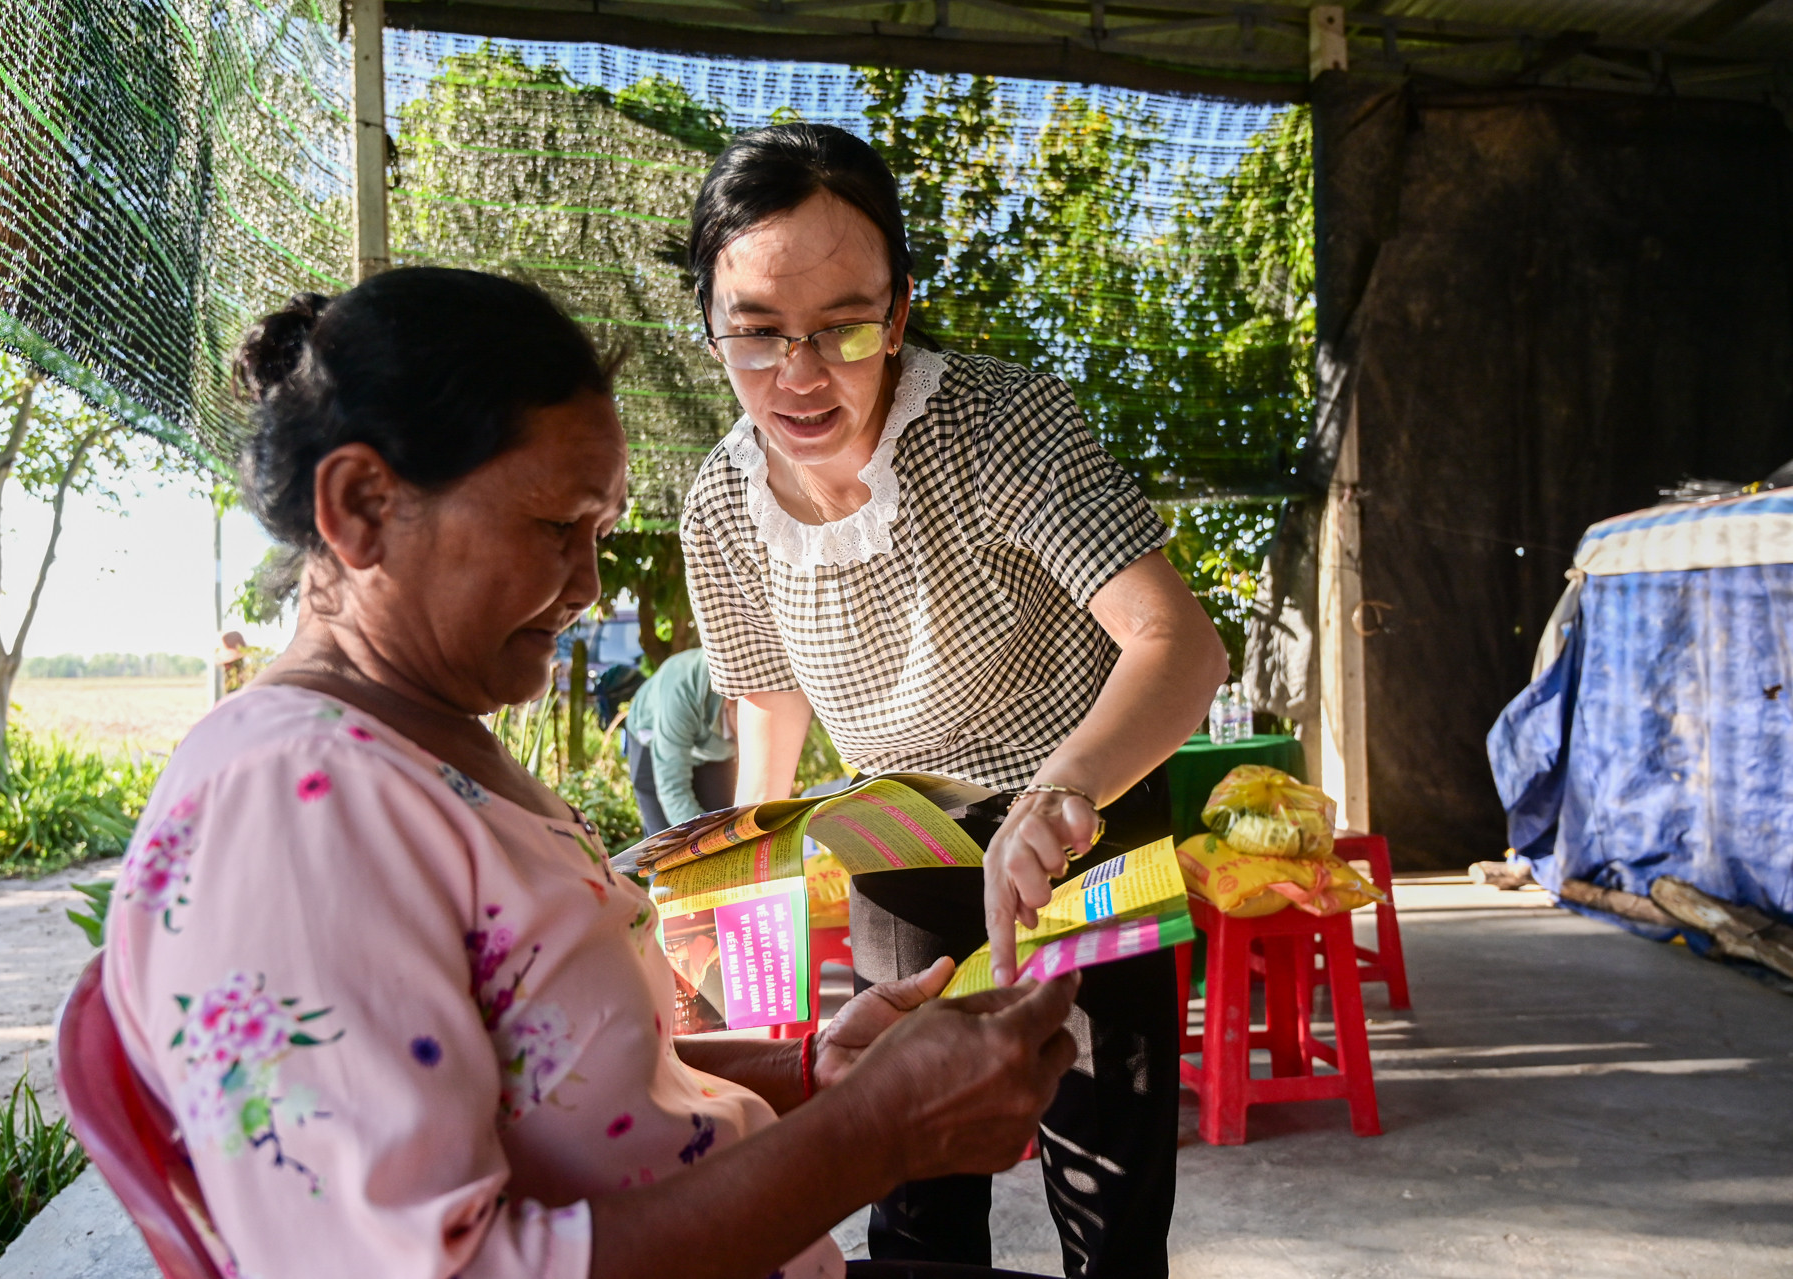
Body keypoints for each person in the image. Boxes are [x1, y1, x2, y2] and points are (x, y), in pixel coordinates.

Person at [101, 266, 1082, 1279]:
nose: (589, 585)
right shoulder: (296, 809)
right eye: (552, 527)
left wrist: (812, 1068)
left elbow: (558, 1075)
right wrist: (873, 1134)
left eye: (601, 532)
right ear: (360, 505)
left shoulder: (426, 749)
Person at [680, 125, 1229, 1278]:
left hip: (1084, 824)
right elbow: (769, 709)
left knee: (1108, 1188)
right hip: (901, 846)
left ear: (902, 303)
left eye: (843, 326)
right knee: (912, 1187)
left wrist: (1060, 794)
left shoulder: (998, 425)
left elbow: (1177, 643)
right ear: (711, 321)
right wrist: (734, 892)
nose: (799, 376)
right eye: (758, 333)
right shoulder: (718, 508)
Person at [623, 645, 738, 837]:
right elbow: (673, 789)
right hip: (653, 740)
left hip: (712, 747)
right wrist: (707, 841)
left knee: (723, 821)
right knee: (665, 840)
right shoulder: (682, 692)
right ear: (730, 703)